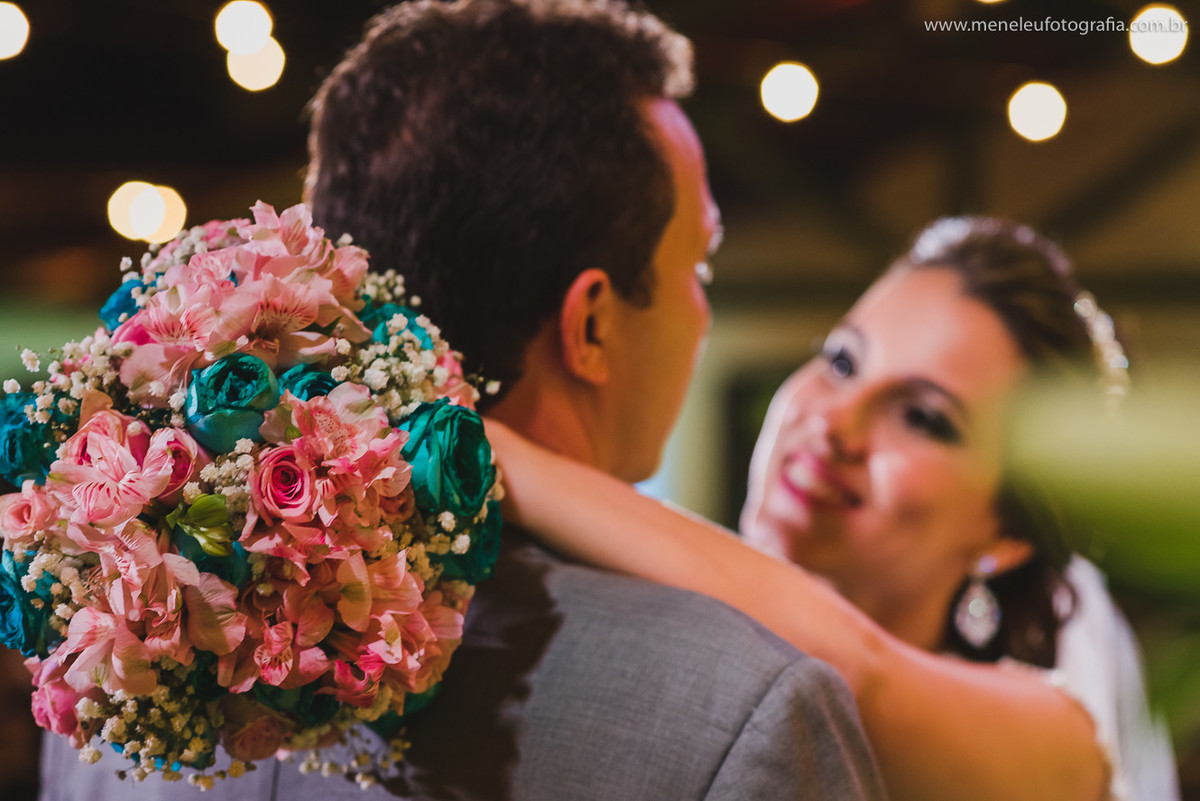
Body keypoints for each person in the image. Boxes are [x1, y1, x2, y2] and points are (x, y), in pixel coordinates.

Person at [38, 2, 886, 800]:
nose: (702, 309)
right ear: (589, 323)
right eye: (696, 267)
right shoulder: (747, 716)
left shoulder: (108, 663)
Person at [485, 216, 1180, 801]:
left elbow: (857, 668)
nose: (835, 422)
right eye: (843, 361)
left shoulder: (1057, 739)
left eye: (924, 418)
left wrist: (476, 447)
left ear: (1006, 535)